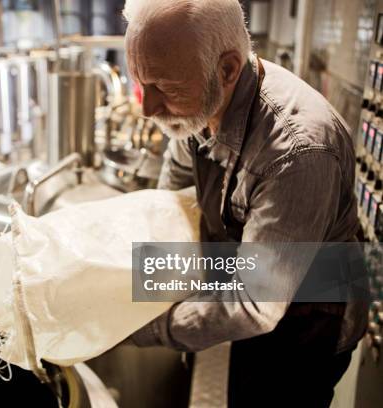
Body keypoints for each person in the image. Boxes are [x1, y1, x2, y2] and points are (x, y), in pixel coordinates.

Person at [123, 0, 367, 406]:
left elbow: (255, 305)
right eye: (140, 83)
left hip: (307, 325)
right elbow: (170, 200)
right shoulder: (199, 102)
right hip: (254, 291)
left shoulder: (298, 151)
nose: (148, 108)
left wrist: (137, 324)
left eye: (163, 87)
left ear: (228, 69)